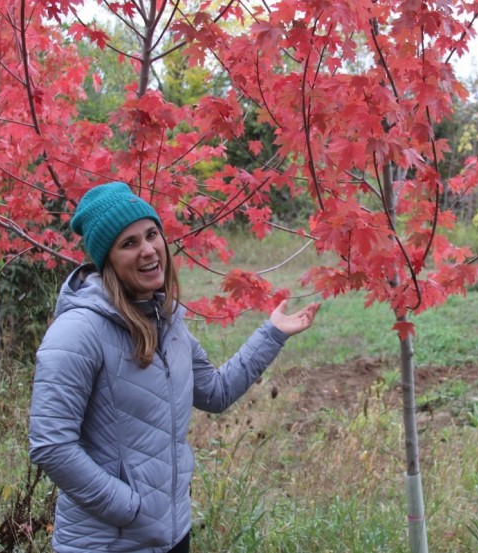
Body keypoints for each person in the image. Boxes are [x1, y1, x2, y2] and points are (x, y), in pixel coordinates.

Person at [29, 182, 320, 553]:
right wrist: (130, 508)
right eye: (129, 243)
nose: (148, 250)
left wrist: (272, 334)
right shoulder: (78, 332)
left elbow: (216, 392)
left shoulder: (166, 323)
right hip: (109, 542)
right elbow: (51, 444)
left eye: (152, 235)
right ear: (108, 261)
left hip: (172, 533)